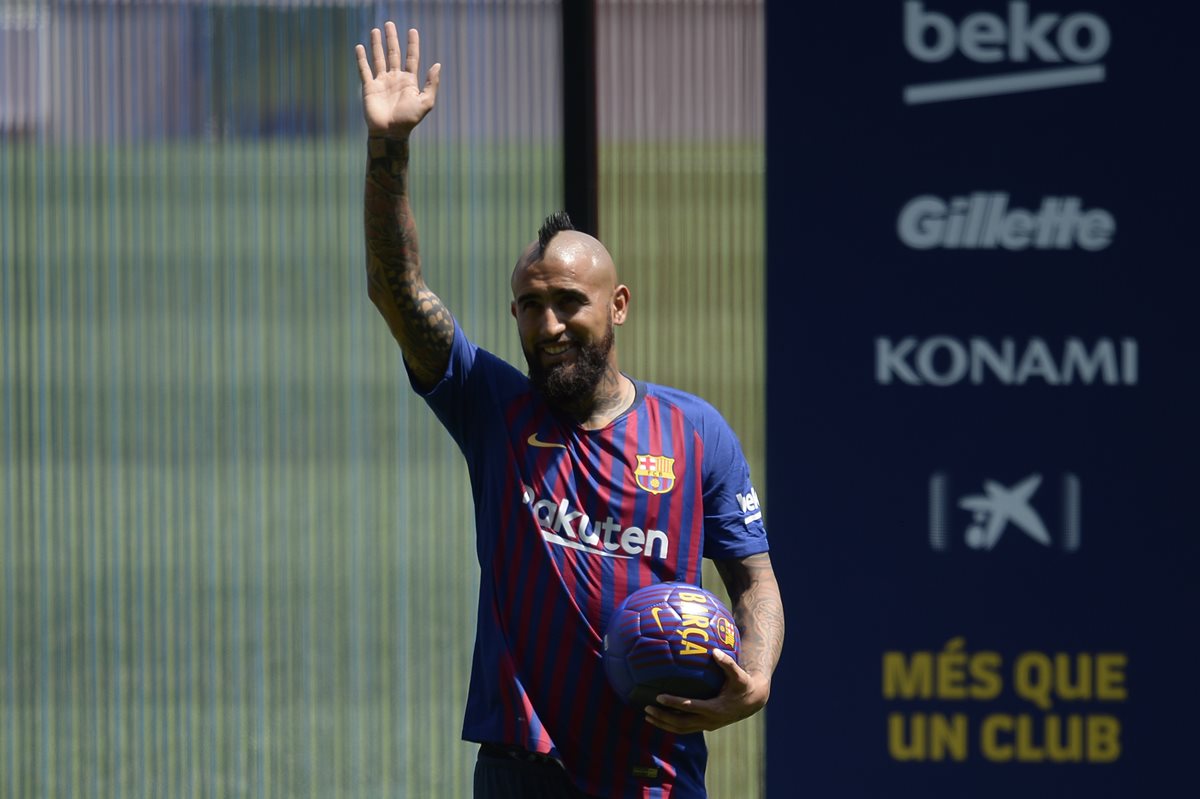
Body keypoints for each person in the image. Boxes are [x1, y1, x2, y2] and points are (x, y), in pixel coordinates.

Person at [355, 23, 785, 799]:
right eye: (529, 306)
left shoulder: (693, 433)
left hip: (653, 770)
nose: (548, 325)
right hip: (521, 772)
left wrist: (752, 677)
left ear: (617, 305)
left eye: (568, 303)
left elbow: (752, 578)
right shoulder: (493, 407)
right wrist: (390, 150)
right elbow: (397, 288)